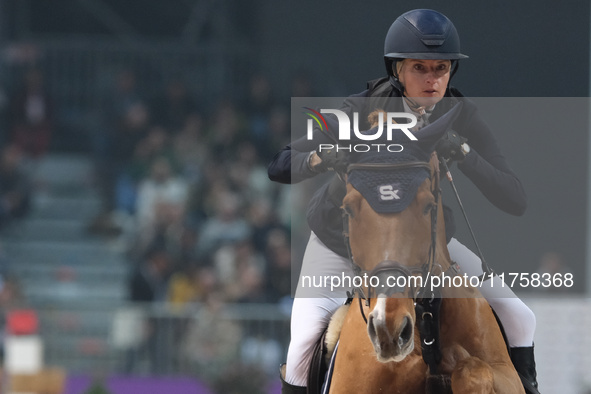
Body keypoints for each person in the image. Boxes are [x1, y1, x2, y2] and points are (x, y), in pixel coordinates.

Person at [268, 9, 539, 394]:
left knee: (519, 316)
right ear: (397, 70)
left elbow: (515, 199)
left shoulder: (459, 115)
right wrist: (322, 157)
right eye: (420, 68)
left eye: (441, 68)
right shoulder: (358, 111)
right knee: (302, 348)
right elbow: (279, 164)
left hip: (421, 242)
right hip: (340, 243)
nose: (432, 80)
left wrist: (462, 151)